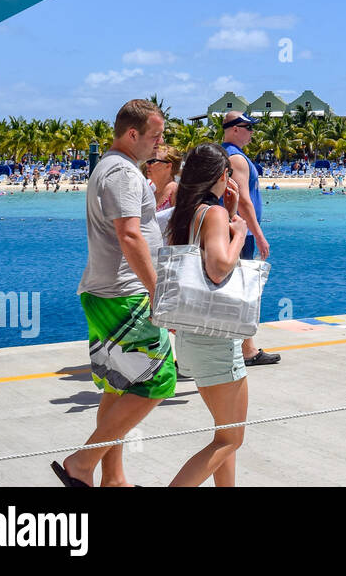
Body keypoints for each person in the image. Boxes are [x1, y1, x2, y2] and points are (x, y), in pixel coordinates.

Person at [52, 99, 174, 487]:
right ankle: (82, 465)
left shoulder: (113, 167)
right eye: (155, 136)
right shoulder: (121, 172)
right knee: (159, 380)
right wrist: (157, 292)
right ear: (132, 133)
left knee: (120, 383)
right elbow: (129, 233)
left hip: (107, 291)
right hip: (125, 294)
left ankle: (114, 479)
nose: (160, 145)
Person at [165, 144, 251, 486]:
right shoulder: (211, 215)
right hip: (216, 340)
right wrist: (240, 234)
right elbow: (218, 268)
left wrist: (227, 212)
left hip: (191, 337)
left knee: (223, 434)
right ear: (221, 176)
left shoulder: (185, 214)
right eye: (228, 172)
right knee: (231, 439)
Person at [222, 113, 278, 366]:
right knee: (244, 291)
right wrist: (259, 234)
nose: (252, 133)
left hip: (230, 230)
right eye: (248, 128)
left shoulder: (223, 154)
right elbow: (243, 200)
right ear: (234, 130)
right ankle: (247, 350)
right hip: (240, 233)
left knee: (235, 289)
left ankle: (246, 347)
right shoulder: (237, 159)